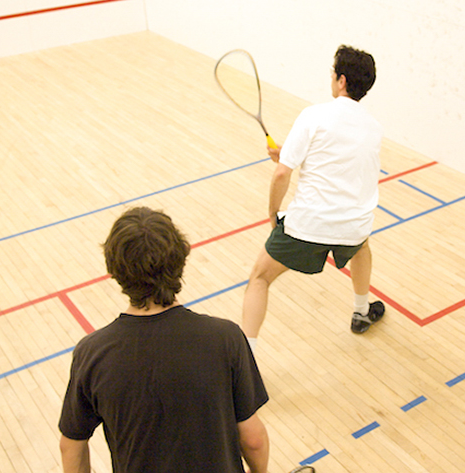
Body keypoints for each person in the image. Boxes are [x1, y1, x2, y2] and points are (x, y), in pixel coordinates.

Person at [58, 207, 269, 473]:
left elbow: (72, 446)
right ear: (180, 261)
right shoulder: (225, 338)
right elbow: (253, 440)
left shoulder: (92, 353)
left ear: (114, 269)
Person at [242, 45, 385, 351]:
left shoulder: (314, 114)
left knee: (259, 278)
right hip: (355, 226)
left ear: (342, 80)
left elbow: (282, 175)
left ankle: (246, 358)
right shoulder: (374, 127)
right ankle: (361, 313)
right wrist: (289, 152)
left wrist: (273, 213)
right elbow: (339, 161)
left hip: (308, 225)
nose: (331, 77)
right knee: (362, 248)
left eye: (333, 72)